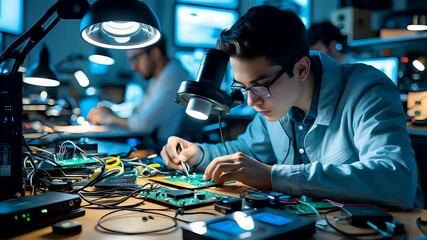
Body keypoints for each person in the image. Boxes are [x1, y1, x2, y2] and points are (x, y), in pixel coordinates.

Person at [160, 5, 424, 209]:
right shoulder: (275, 104)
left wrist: (275, 177)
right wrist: (197, 154)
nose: (252, 101)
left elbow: (396, 179)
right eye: (242, 87)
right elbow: (247, 152)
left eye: (260, 85)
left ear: (300, 68)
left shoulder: (368, 90)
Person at [86, 36, 192, 152]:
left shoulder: (174, 76)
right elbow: (139, 111)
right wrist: (111, 111)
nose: (133, 67)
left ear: (155, 53)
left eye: (136, 58)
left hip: (171, 150)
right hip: (160, 145)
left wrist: (109, 117)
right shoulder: (158, 76)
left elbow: (143, 124)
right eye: (131, 60)